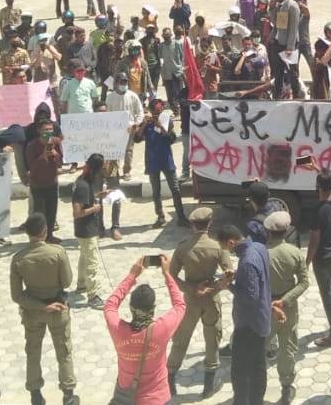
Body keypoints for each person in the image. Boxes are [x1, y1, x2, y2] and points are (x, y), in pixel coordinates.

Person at [100, 253, 186, 405]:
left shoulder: (118, 329)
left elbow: (110, 305)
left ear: (132, 308)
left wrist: (132, 275)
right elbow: (180, 305)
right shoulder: (163, 328)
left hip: (126, 396)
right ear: (153, 308)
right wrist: (167, 274)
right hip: (158, 397)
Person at [10, 213, 78, 405]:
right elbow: (67, 281)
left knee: (33, 352)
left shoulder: (18, 258)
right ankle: (68, 394)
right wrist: (48, 304)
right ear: (45, 231)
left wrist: (41, 306)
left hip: (33, 311)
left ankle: (35, 395)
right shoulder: (57, 252)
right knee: (63, 351)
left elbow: (16, 296)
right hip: (57, 307)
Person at [167, 207, 234, 398]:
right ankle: (208, 385)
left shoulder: (182, 247)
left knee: (181, 339)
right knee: (212, 339)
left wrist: (191, 289)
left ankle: (170, 379)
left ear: (192, 224)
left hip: (190, 300)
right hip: (211, 300)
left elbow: (171, 276)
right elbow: (229, 274)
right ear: (210, 223)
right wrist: (215, 288)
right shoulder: (217, 247)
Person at [215, 222, 270, 405]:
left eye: (226, 248)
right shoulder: (259, 247)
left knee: (240, 371)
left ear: (231, 242)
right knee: (258, 365)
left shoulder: (247, 261)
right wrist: (236, 273)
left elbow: (250, 298)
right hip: (262, 318)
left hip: (249, 324)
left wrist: (228, 285)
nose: (227, 252)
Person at [263, 210, 308, 405]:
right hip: (287, 308)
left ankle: (257, 385)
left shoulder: (260, 254)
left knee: (261, 346)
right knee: (287, 348)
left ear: (268, 231)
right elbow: (304, 282)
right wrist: (286, 299)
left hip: (265, 308)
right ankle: (287, 387)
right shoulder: (295, 253)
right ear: (287, 230)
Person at [307, 169, 331, 349]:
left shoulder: (318, 211)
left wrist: (306, 262)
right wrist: (317, 168)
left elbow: (314, 241)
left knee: (327, 293)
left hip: (323, 257)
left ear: (317, 187)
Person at [139, 98, 188, 228]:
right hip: (152, 160)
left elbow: (171, 139)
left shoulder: (167, 121)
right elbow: (137, 138)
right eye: (155, 111)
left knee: (175, 189)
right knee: (156, 191)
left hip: (166, 160)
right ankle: (160, 216)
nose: (157, 113)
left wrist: (160, 126)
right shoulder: (147, 124)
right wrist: (144, 124)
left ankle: (181, 217)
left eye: (159, 111)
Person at [71, 153, 108, 310]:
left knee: (84, 257)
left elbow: (86, 198)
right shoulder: (83, 186)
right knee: (92, 262)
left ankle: (81, 285)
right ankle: (93, 295)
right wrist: (95, 208)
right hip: (86, 230)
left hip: (84, 230)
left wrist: (99, 195)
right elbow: (77, 212)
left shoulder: (83, 182)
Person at [25, 116, 65, 242]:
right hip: (38, 184)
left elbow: (60, 162)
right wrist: (43, 156)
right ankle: (39, 237)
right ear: (39, 131)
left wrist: (55, 154)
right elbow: (32, 165)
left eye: (51, 129)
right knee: (40, 212)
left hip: (52, 182)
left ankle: (50, 236)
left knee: (52, 210)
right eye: (46, 129)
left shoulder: (56, 142)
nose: (48, 132)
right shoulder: (32, 145)